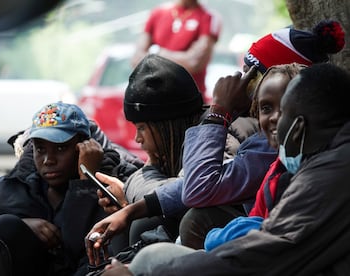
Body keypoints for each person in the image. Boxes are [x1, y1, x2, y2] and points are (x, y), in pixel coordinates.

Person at [86, 19, 344, 259]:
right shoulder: (265, 139)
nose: (240, 83)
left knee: (195, 220)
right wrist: (133, 208)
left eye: (251, 76)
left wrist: (219, 112)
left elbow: (197, 189)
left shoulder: (266, 142)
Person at [0, 102, 138, 276]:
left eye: (61, 148)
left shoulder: (111, 187)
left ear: (84, 149)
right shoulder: (12, 188)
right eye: (40, 149)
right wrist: (22, 226)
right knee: (6, 225)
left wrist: (84, 183)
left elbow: (76, 249)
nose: (48, 160)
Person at [97, 54, 205, 248]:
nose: (137, 139)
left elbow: (183, 191)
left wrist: (131, 205)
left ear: (166, 125)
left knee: (143, 223)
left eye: (142, 128)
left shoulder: (213, 139)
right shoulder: (172, 148)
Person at [203, 63, 306, 252]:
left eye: (286, 106)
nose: (275, 117)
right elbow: (255, 218)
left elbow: (199, 189)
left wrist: (217, 113)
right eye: (266, 108)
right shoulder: (276, 168)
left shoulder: (312, 170)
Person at [131, 0, 222, 103]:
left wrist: (156, 53)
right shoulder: (157, 13)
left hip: (189, 103)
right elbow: (136, 60)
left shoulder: (209, 17)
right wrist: (182, 58)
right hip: (154, 102)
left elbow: (194, 63)